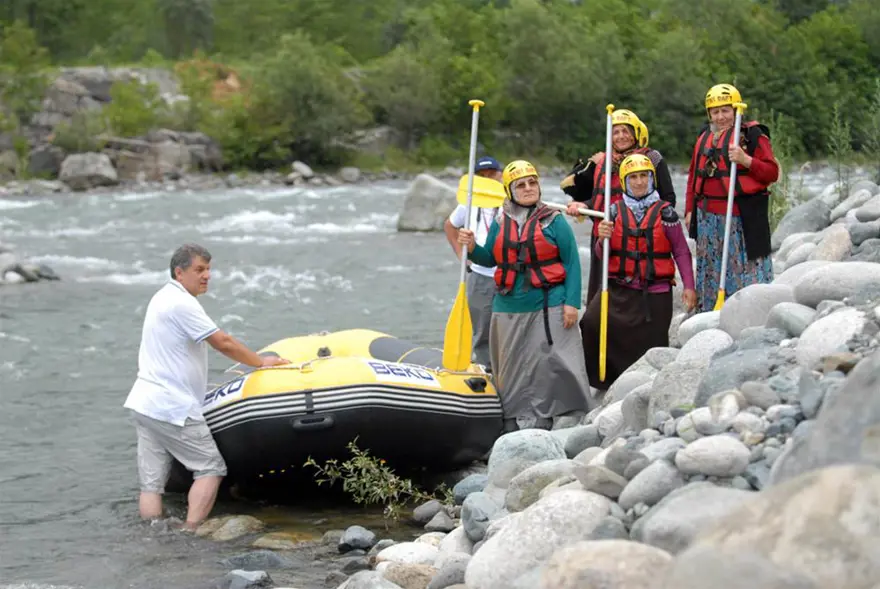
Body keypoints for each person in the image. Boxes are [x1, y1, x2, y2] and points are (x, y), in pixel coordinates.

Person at [123, 243, 289, 531]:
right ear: (179, 272)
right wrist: (260, 362)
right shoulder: (182, 303)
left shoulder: (161, 297)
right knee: (211, 468)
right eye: (200, 270)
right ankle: (190, 531)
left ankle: (152, 537)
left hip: (144, 402)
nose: (207, 276)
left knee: (151, 485)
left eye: (209, 269)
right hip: (171, 406)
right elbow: (222, 342)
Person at [457, 160, 592, 432]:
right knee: (509, 365)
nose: (528, 188)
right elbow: (491, 257)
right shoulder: (500, 219)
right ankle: (511, 417)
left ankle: (555, 414)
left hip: (548, 300)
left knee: (549, 360)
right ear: (510, 190)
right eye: (521, 184)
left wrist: (571, 304)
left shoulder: (554, 220)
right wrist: (471, 247)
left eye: (533, 182)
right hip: (508, 302)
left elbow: (571, 264)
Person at [581, 154, 697, 392]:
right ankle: (606, 383)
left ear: (652, 179)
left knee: (651, 348)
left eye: (644, 176)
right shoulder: (612, 214)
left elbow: (682, 252)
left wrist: (689, 286)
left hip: (654, 293)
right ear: (624, 181)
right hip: (620, 290)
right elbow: (603, 255)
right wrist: (603, 238)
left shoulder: (666, 214)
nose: (639, 182)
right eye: (633, 177)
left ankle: (648, 388)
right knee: (591, 323)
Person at [560, 109, 677, 307]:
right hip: (604, 235)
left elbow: (668, 199)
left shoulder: (652, 158)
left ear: (636, 133)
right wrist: (583, 205)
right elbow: (600, 198)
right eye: (615, 132)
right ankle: (601, 331)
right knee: (600, 294)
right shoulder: (602, 162)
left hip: (638, 238)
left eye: (625, 131)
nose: (621, 136)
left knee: (631, 294)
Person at [685, 84, 777, 311]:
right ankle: (710, 310)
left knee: (745, 268)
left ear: (736, 110)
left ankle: (750, 311)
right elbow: (693, 176)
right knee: (710, 268)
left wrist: (746, 160)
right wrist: (689, 210)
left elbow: (771, 172)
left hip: (741, 217)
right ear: (709, 115)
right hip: (708, 219)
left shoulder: (752, 135)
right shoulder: (704, 136)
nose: (720, 116)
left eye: (725, 110)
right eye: (715, 112)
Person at [443, 156, 505, 368]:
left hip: (508, 275)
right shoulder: (468, 203)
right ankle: (487, 370)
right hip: (480, 275)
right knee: (481, 330)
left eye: (491, 175)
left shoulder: (510, 201)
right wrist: (461, 257)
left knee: (509, 329)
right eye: (482, 176)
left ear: (500, 175)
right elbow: (450, 226)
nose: (487, 179)